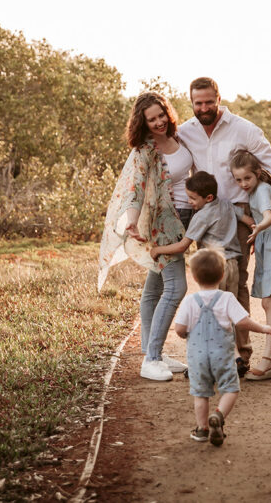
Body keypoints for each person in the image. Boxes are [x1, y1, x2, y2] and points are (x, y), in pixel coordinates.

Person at [177, 77, 271, 373]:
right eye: (197, 103)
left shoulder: (243, 128)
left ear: (218, 98)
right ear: (191, 102)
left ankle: (242, 355)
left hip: (239, 215)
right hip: (205, 214)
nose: (203, 108)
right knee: (209, 284)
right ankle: (213, 355)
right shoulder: (185, 132)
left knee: (237, 282)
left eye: (208, 102)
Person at [98, 92, 194, 382]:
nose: (158, 123)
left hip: (186, 217)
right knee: (176, 288)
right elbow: (135, 189)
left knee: (153, 290)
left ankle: (153, 351)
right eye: (151, 120)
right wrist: (131, 221)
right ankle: (151, 359)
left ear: (167, 112)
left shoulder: (179, 139)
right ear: (142, 122)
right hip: (163, 225)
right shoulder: (145, 150)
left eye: (161, 115)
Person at [173, 248, 271, 446]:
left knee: (201, 394)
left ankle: (202, 429)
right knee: (230, 389)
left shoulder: (189, 301)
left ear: (194, 277)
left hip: (198, 358)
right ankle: (219, 416)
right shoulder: (227, 298)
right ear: (222, 275)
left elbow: (179, 328)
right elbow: (243, 322)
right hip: (223, 357)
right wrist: (263, 328)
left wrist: (185, 334)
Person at [150, 171, 253, 367]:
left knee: (212, 314)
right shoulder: (226, 204)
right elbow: (247, 220)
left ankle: (220, 359)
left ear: (208, 198)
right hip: (233, 266)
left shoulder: (202, 216)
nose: (189, 202)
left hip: (215, 269)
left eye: (192, 198)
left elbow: (182, 246)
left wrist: (158, 250)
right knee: (227, 312)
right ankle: (235, 356)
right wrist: (255, 231)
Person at [229, 148, 271, 381]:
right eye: (238, 180)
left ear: (258, 173)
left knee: (268, 303)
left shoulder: (264, 190)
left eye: (247, 178)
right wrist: (255, 228)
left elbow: (268, 216)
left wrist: (259, 228)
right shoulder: (255, 190)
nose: (243, 183)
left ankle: (267, 359)